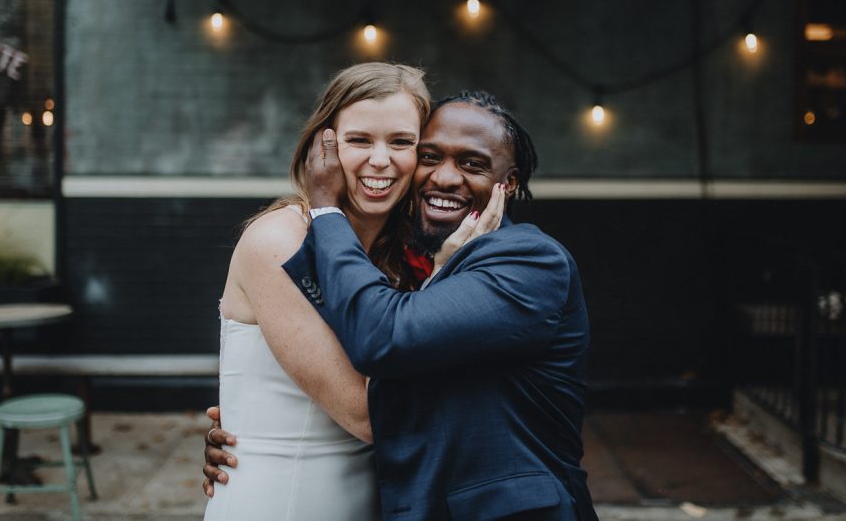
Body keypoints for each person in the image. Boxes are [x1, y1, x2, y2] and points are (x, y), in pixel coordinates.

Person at [205, 91, 598, 521]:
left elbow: (384, 342)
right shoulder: (404, 258)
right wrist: (260, 428)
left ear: (510, 182)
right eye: (429, 156)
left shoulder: (529, 261)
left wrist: (325, 209)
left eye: (472, 163)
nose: (445, 178)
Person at [202, 62, 432, 521]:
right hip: (279, 501)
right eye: (360, 140)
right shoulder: (279, 240)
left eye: (402, 141)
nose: (381, 159)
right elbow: (366, 414)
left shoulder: (405, 255)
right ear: (323, 146)